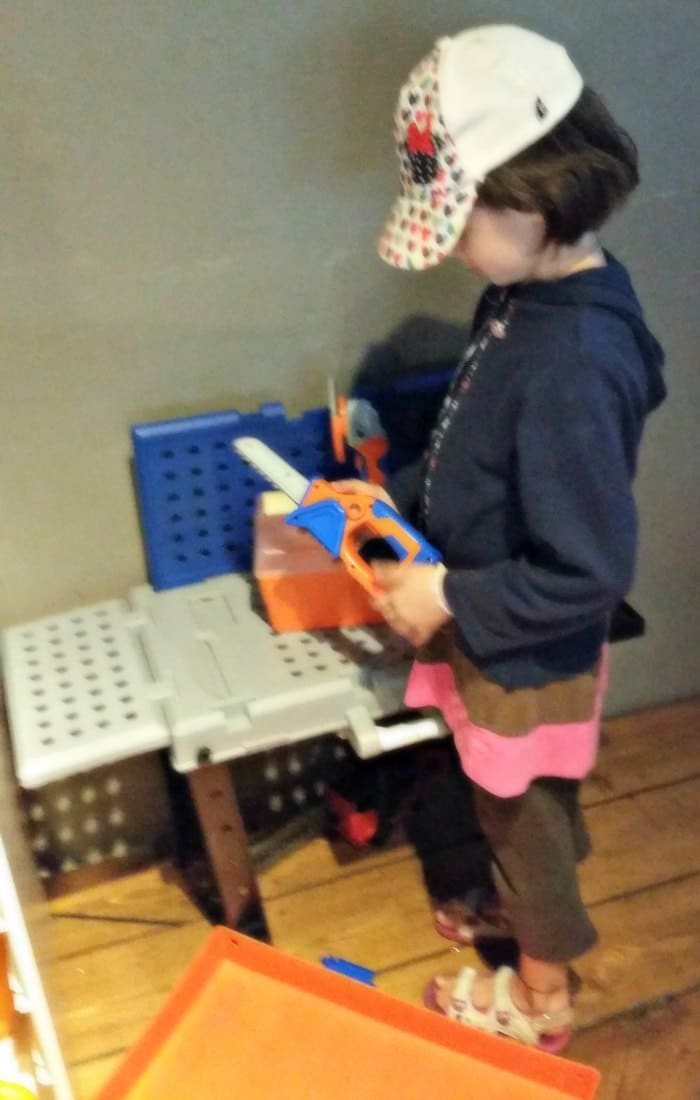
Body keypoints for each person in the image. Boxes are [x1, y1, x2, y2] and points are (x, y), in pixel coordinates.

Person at [337, 24, 665, 1050]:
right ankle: (524, 909)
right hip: (501, 627)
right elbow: (491, 420)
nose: (449, 247)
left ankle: (541, 991)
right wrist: (417, 477)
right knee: (522, 796)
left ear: (533, 196)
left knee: (521, 825)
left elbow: (584, 569)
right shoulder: (530, 293)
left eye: (458, 217)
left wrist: (449, 601)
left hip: (520, 645)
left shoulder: (574, 361)